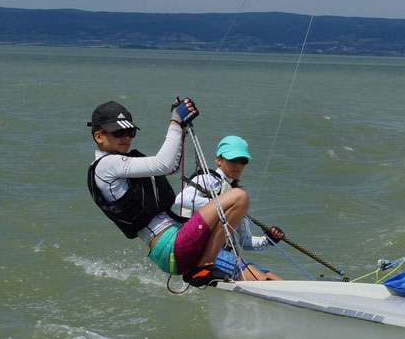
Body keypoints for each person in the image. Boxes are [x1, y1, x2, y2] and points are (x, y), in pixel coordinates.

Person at [85, 98, 268, 282]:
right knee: (239, 196)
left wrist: (182, 129)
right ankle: (205, 267)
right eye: (118, 133)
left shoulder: (118, 164)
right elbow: (163, 164)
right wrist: (174, 122)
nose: (126, 137)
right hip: (171, 247)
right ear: (98, 136)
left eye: (130, 132)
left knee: (267, 277)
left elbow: (173, 167)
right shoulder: (106, 165)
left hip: (175, 244)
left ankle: (208, 267)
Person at [172, 134, 285, 281]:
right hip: (202, 251)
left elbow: (245, 241)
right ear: (219, 160)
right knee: (264, 281)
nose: (238, 165)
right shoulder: (208, 178)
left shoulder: (235, 194)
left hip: (223, 253)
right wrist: (221, 204)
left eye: (243, 161)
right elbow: (181, 199)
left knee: (277, 280)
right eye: (233, 159)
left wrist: (269, 239)